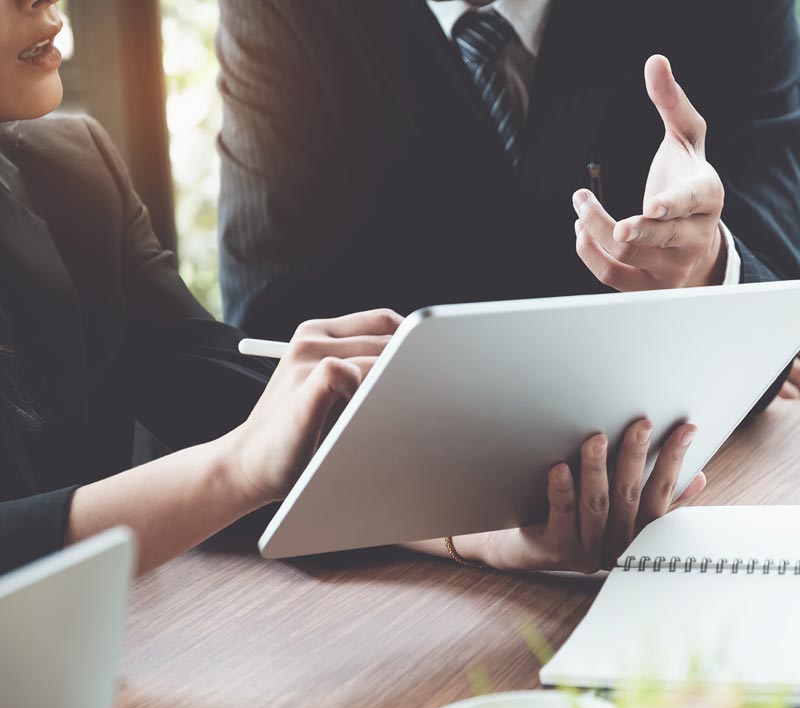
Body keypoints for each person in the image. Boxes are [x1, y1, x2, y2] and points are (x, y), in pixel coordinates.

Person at [0, 0, 702, 579]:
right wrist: (230, 471)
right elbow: (234, 456)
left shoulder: (72, 174)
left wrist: (479, 531)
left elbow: (226, 410)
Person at [216, 0, 800, 401]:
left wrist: (709, 269)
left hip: (689, 459)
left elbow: (777, 282)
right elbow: (274, 335)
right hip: (408, 494)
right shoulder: (287, 14)